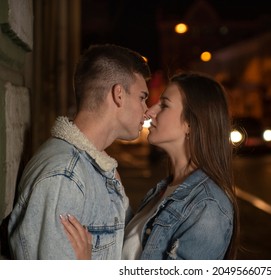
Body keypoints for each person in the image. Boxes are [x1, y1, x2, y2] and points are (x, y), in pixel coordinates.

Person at [61, 71, 239, 259]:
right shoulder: (165, 190)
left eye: (164, 105)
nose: (150, 112)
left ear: (190, 124)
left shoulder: (207, 206)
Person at [7, 44, 151, 259]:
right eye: (142, 97)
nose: (146, 109)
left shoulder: (94, 169)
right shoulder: (65, 177)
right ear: (118, 94)